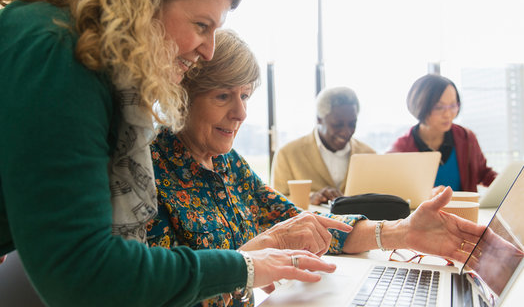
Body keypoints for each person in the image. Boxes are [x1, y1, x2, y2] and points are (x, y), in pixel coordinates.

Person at [0, 0, 337, 306]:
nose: (208, 51)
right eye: (202, 26)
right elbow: (84, 273)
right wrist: (245, 267)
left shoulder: (82, 52)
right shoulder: (59, 52)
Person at [148, 29, 487, 307]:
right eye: (223, 96)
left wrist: (403, 232)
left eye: (246, 96)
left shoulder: (226, 163)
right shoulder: (148, 172)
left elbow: (308, 226)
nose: (241, 113)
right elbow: (156, 296)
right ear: (181, 94)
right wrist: (249, 262)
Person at [389, 74, 497, 193]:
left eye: (453, 106)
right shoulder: (401, 149)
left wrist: (508, 182)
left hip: (463, 212)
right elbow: (397, 192)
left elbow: (483, 174)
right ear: (420, 106)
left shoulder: (466, 137)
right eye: (439, 107)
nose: (448, 114)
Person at [271, 86, 376, 205]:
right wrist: (308, 198)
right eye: (338, 125)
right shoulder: (288, 154)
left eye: (352, 124)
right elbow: (275, 203)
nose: (346, 132)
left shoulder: (369, 154)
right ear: (319, 119)